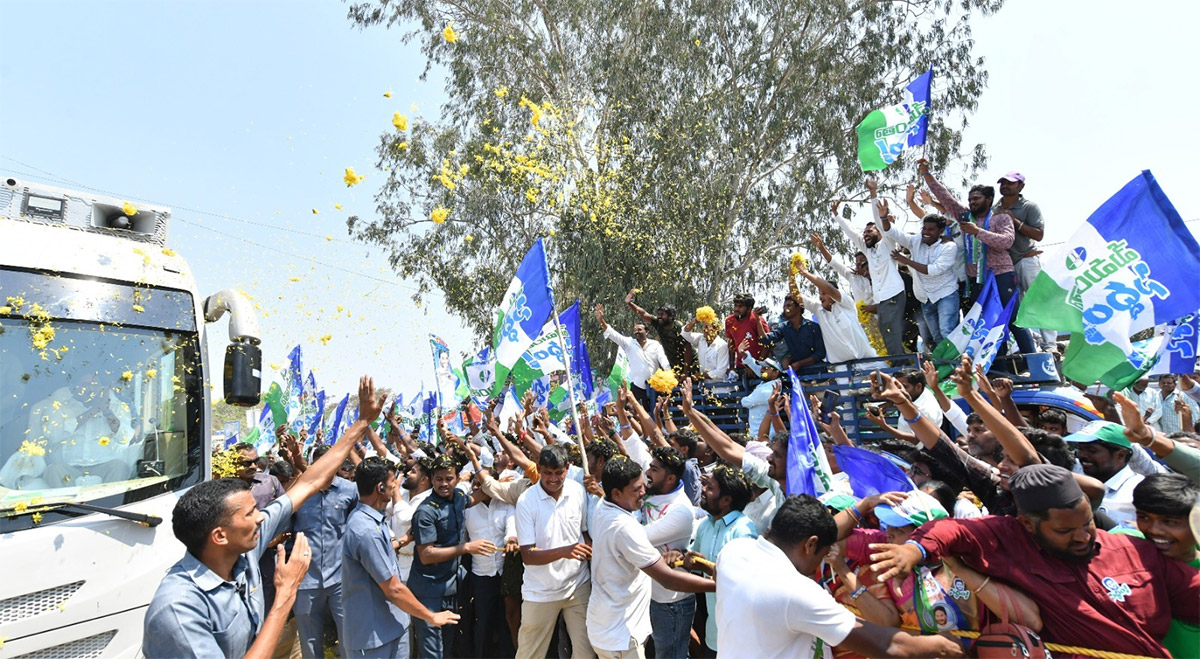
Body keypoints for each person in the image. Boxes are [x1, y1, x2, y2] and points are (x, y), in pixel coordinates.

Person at [142, 376, 381, 658]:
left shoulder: (242, 554)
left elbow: (308, 483)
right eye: (251, 513)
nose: (261, 519)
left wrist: (361, 424)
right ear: (219, 535)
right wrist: (284, 596)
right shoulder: (179, 609)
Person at [870, 463, 1200, 657]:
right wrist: (912, 550)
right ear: (1028, 524)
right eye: (1066, 530)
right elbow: (947, 529)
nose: (1084, 536)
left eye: (1087, 523)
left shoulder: (1133, 550)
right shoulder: (1007, 539)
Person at [715, 495, 963, 658]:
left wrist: (863, 506)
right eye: (822, 554)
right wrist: (945, 645)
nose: (818, 566)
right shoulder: (796, 591)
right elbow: (889, 646)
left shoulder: (734, 552)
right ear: (811, 545)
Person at [586, 457, 716, 659]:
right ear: (616, 493)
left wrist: (661, 557)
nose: (643, 492)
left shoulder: (605, 504)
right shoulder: (625, 527)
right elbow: (668, 579)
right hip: (621, 635)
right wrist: (719, 584)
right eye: (636, 489)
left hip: (608, 627)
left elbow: (627, 555)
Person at [342, 456, 460, 658]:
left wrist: (401, 542)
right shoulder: (365, 529)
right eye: (391, 483)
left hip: (392, 626)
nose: (395, 486)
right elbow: (394, 589)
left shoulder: (372, 520)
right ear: (380, 488)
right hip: (373, 636)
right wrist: (431, 616)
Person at [918, 161, 1037, 355]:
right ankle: (1000, 368)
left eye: (977, 199)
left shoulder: (1000, 217)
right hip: (976, 281)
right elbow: (945, 197)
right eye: (970, 199)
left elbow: (1006, 242)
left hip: (1001, 275)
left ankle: (1034, 363)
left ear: (989, 200)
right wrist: (926, 174)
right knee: (986, 325)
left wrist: (978, 232)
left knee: (1013, 319)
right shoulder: (964, 216)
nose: (972, 202)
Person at [409, 454, 494, 658]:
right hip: (429, 591)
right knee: (432, 652)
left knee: (447, 648)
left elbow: (473, 499)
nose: (444, 484)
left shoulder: (457, 497)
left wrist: (497, 486)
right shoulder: (426, 512)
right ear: (431, 479)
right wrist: (465, 548)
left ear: (457, 478)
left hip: (451, 589)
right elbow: (427, 555)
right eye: (439, 479)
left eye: (449, 478)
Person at [514, 445, 594, 659]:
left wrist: (593, 549)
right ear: (538, 468)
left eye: (559, 473)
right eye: (548, 473)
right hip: (540, 591)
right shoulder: (526, 501)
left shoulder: (577, 491)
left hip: (578, 586)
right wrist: (565, 551)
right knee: (529, 654)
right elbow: (528, 556)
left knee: (586, 652)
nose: (553, 479)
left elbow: (583, 532)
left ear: (568, 468)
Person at [678, 464, 758, 656]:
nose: (703, 490)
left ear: (726, 500)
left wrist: (706, 567)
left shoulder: (744, 530)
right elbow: (693, 561)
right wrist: (680, 559)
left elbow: (745, 582)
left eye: (710, 488)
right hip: (714, 634)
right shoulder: (706, 524)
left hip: (740, 637)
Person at [291, 444, 359, 658]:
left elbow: (357, 527)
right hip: (305, 579)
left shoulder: (350, 490)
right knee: (309, 639)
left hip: (341, 578)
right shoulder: (299, 491)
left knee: (350, 634)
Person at [638, 446, 697, 659]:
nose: (647, 473)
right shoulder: (656, 488)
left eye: (654, 470)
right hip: (651, 595)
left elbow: (637, 538)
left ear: (670, 478)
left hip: (671, 602)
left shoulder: (681, 511)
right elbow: (633, 447)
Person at [833, 192, 906, 357]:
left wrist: (873, 195)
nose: (865, 234)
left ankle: (900, 364)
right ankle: (898, 363)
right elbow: (851, 232)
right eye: (864, 232)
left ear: (879, 233)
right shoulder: (867, 250)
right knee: (885, 332)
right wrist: (837, 216)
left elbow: (882, 225)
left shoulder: (887, 243)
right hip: (882, 298)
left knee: (891, 331)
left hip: (894, 294)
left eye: (869, 231)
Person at [878, 209, 960, 345]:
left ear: (941, 231)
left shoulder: (949, 247)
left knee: (948, 332)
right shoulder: (916, 241)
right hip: (925, 298)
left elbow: (933, 270)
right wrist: (883, 218)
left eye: (931, 229)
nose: (926, 233)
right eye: (924, 229)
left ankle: (960, 365)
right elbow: (895, 234)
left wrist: (905, 260)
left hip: (946, 294)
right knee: (936, 338)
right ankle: (944, 366)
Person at [995, 171, 1055, 352]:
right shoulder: (994, 209)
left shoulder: (1029, 207)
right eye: (1002, 182)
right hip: (1006, 265)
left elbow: (1039, 234)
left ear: (1021, 186)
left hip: (1028, 260)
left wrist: (1015, 221)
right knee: (1017, 309)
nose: (1005, 186)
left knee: (1038, 302)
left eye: (1010, 183)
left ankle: (1050, 345)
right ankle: (1031, 345)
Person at [464, 467, 517, 658]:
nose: (478, 488)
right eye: (475, 484)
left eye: (483, 483)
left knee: (507, 622)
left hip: (504, 574)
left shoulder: (505, 504)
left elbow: (512, 527)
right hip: (481, 575)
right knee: (483, 624)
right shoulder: (467, 510)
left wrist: (511, 539)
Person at [791, 255, 879, 366]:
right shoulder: (818, 309)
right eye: (819, 294)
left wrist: (804, 272)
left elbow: (830, 289)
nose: (820, 297)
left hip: (868, 362)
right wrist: (791, 273)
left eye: (823, 293)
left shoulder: (846, 303)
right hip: (842, 370)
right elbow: (795, 296)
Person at [1063, 420, 1145, 528]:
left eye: (1092, 450)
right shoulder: (1075, 479)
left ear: (1121, 455)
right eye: (1080, 448)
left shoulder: (1139, 489)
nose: (1082, 455)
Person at [596, 304, 671, 408]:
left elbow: (664, 360)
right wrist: (601, 320)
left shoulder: (655, 344)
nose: (637, 332)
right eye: (635, 330)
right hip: (638, 386)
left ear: (647, 331)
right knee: (640, 413)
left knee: (657, 412)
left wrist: (669, 374)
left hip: (655, 386)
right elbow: (612, 333)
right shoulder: (629, 343)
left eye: (640, 330)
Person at [625, 289, 699, 377]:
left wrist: (686, 372)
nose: (659, 316)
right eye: (658, 314)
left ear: (671, 317)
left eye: (662, 314)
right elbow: (643, 313)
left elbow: (688, 349)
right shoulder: (658, 323)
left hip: (691, 365)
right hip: (675, 366)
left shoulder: (678, 327)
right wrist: (629, 303)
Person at [757, 294, 825, 374]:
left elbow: (820, 353)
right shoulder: (784, 327)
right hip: (798, 378)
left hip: (818, 375)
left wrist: (799, 364)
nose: (785, 309)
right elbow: (765, 339)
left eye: (789, 306)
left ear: (799, 307)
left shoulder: (813, 327)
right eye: (784, 306)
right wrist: (757, 319)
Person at [724, 293, 769, 376]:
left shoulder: (757, 320)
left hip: (759, 368)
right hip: (740, 367)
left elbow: (767, 345)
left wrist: (755, 366)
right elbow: (731, 345)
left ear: (749, 309)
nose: (736, 309)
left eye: (740, 306)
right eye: (735, 305)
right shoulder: (729, 321)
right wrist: (731, 367)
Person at [680, 312, 730, 381]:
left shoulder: (722, 345)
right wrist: (695, 320)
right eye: (703, 326)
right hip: (705, 388)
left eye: (706, 327)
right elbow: (685, 333)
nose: (703, 329)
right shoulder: (701, 339)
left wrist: (702, 375)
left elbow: (720, 372)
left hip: (721, 388)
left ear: (715, 329)